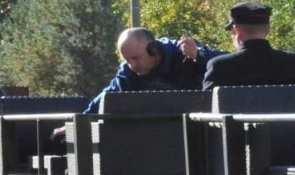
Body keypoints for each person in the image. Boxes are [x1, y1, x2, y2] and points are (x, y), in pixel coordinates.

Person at [81, 27, 220, 115]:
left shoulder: (184, 54)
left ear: (153, 49)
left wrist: (200, 56)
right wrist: (81, 121)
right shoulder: (128, 73)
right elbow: (107, 97)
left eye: (136, 58)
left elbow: (227, 63)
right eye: (128, 60)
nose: (132, 65)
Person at [201, 1, 295, 89]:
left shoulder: (220, 66)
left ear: (237, 31)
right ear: (268, 29)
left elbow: (207, 108)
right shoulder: (293, 63)